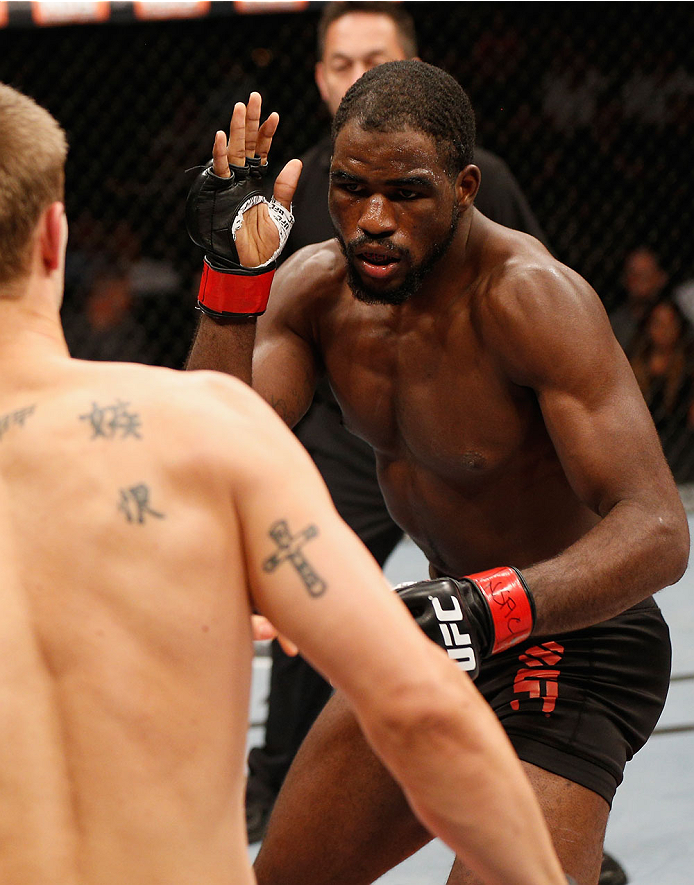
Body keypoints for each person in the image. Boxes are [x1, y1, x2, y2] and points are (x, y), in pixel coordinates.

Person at [0, 81, 575, 885]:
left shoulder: (527, 294)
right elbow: (418, 709)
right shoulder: (200, 432)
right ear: (55, 239)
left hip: (582, 631)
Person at [185, 64, 688, 885]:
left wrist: (495, 606)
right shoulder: (313, 291)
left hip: (579, 636)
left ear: (464, 185)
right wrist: (229, 280)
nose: (372, 219)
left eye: (407, 193)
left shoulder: (531, 300)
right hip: (445, 630)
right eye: (349, 188)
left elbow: (661, 530)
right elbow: (208, 448)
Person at [245, 0, 551, 844]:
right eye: (341, 63)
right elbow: (241, 397)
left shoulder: (482, 190)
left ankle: (555, 813)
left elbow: (549, 313)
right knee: (313, 594)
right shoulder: (299, 191)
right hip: (351, 434)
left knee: (525, 613)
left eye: (374, 58)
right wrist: (225, 274)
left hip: (471, 434)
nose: (374, 217)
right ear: (318, 78)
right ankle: (274, 781)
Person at [629, 297, 694, 483]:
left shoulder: (688, 365)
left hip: (682, 443)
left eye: (670, 323)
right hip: (642, 439)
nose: (664, 330)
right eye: (658, 323)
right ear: (648, 326)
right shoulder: (633, 364)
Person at [609, 246, 669, 355]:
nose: (639, 280)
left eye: (646, 274)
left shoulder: (675, 323)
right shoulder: (613, 326)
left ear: (661, 278)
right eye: (634, 274)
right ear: (624, 279)